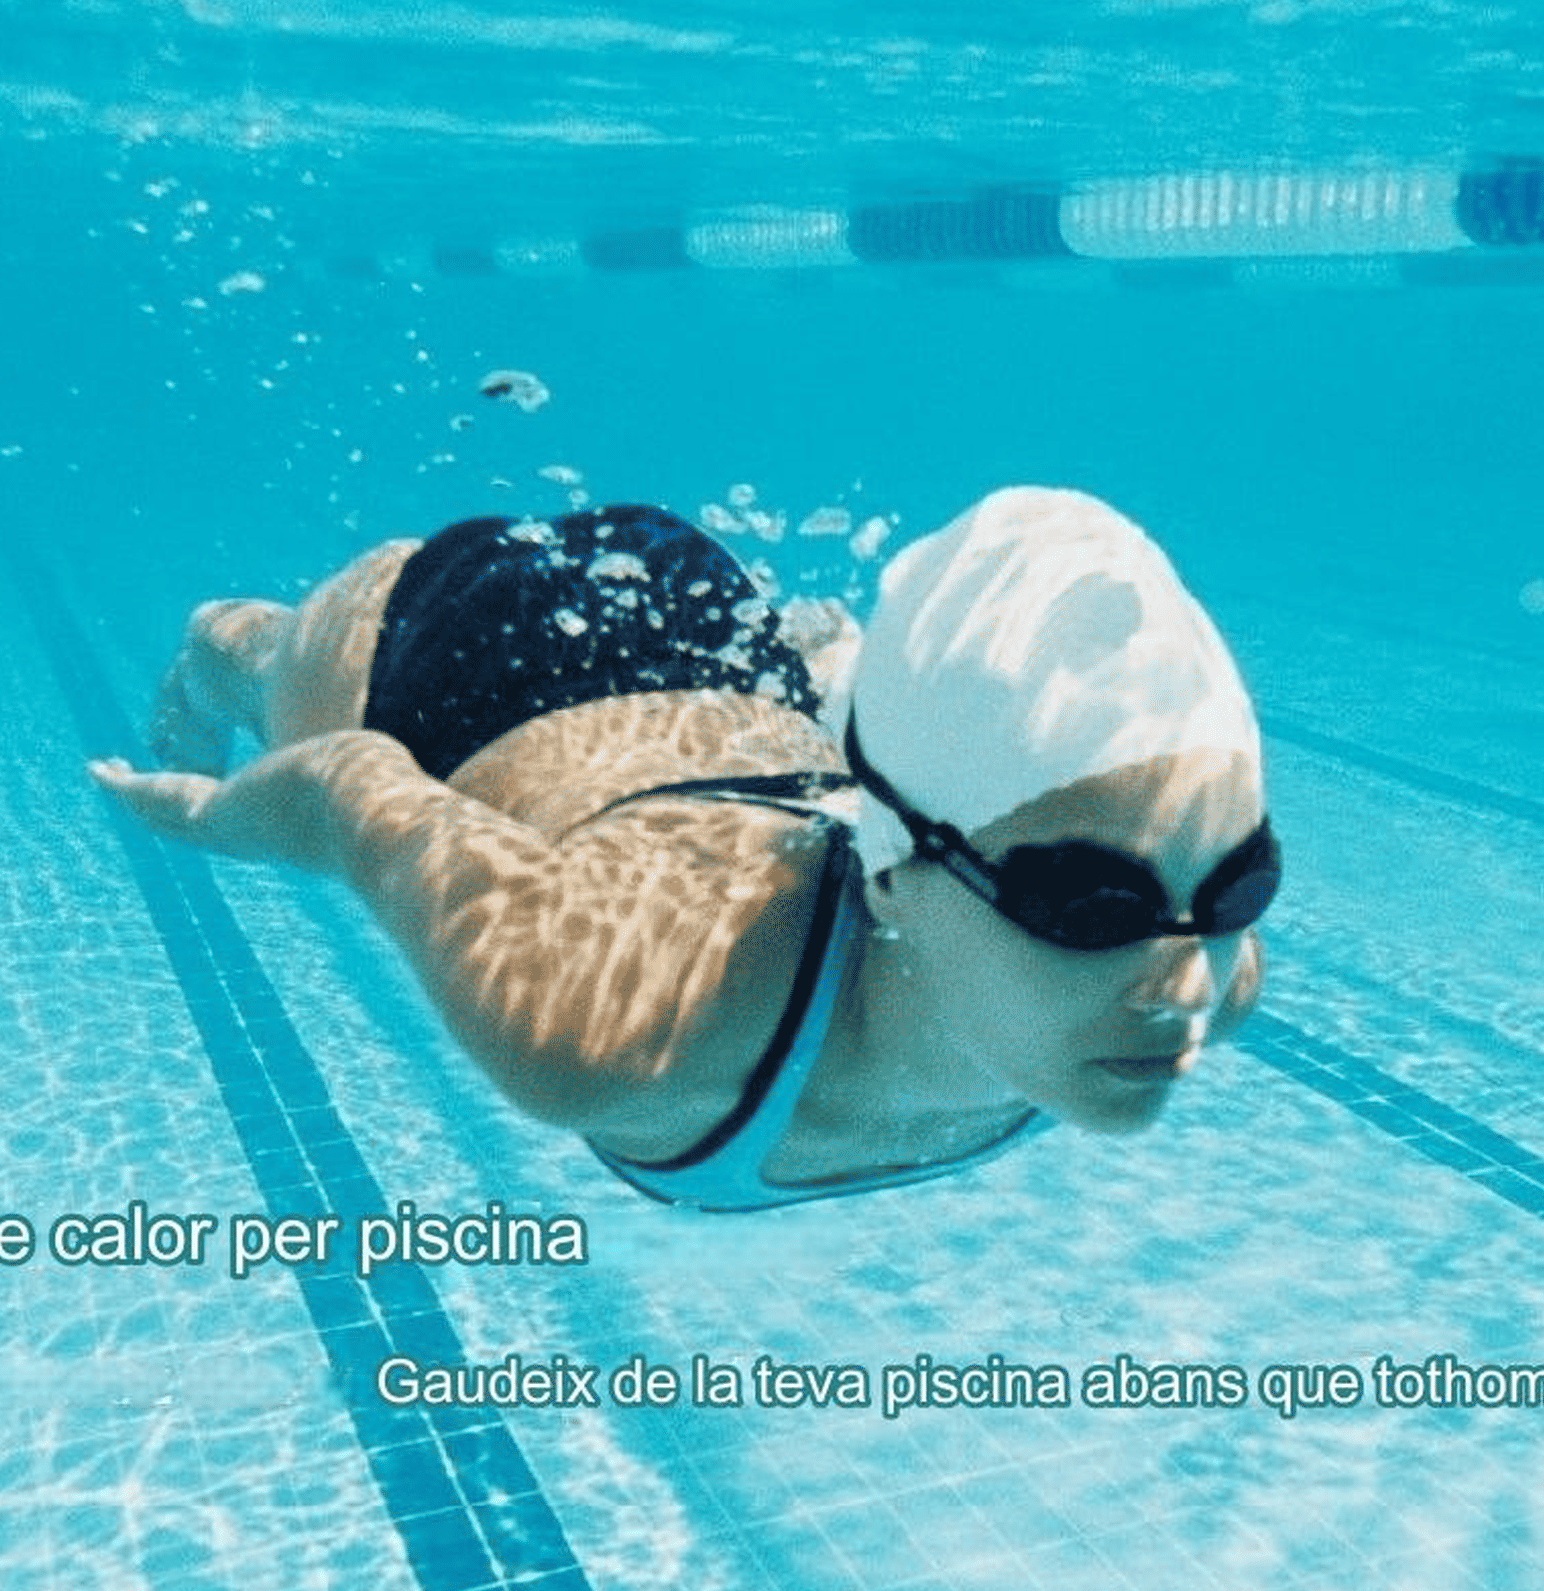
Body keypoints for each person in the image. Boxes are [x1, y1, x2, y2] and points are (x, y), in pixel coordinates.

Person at [88, 486, 1277, 1211]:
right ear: (901, 871)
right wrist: (208, 818)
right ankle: (223, 646)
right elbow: (355, 789)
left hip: (728, 663)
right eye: (1088, 906)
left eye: (1239, 887)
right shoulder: (611, 1025)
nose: (1186, 982)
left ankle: (830, 671)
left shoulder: (1207, 972)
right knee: (270, 662)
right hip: (478, 671)